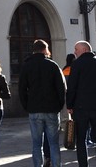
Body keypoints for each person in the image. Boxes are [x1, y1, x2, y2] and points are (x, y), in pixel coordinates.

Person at [19, 39, 65, 167]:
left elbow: (21, 89)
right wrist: (59, 105)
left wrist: (27, 106)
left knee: (36, 143)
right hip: (51, 108)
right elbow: (61, 87)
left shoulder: (27, 66)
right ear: (45, 50)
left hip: (34, 109)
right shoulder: (53, 65)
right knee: (54, 143)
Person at [65, 41, 96, 167]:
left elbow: (72, 86)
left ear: (85, 50)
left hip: (81, 108)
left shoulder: (77, 64)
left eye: (76, 49)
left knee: (81, 140)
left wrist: (69, 105)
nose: (74, 52)